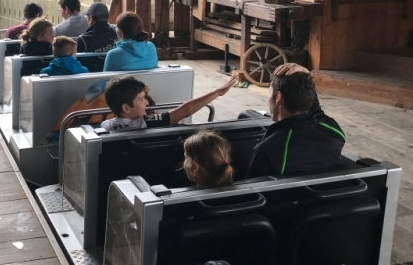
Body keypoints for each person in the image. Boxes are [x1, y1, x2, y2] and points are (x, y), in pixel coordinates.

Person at [245, 62, 346, 179]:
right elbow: (315, 109)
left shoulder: (268, 150)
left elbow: (252, 188)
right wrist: (307, 77)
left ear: (278, 97)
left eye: (270, 94)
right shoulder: (334, 132)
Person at [101, 74, 238, 132]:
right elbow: (185, 110)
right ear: (126, 108)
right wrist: (218, 92)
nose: (147, 102)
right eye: (142, 99)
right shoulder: (144, 123)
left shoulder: (105, 126)